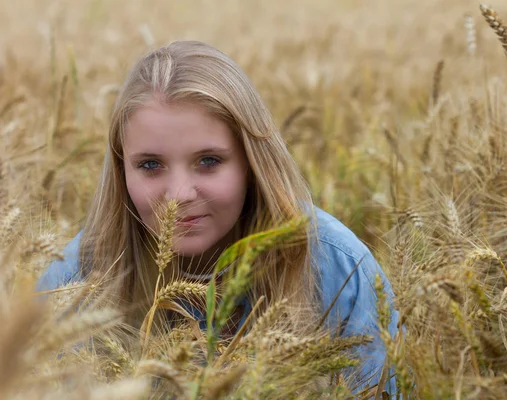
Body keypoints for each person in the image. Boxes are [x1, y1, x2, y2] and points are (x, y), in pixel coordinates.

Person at [36, 41, 399, 396]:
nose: (179, 195)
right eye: (150, 165)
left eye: (209, 161)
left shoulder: (339, 268)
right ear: (122, 171)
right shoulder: (72, 285)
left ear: (252, 163)